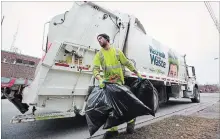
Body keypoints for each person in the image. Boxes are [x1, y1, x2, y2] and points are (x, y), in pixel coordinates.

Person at [92, 33, 143, 139]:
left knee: (124, 106)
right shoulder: (99, 54)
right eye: (98, 40)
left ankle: (131, 121)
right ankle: (113, 131)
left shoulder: (117, 52)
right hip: (108, 84)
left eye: (100, 38)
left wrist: (137, 73)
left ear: (107, 39)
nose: (99, 41)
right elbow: (95, 69)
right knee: (111, 108)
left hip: (119, 83)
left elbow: (127, 63)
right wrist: (100, 79)